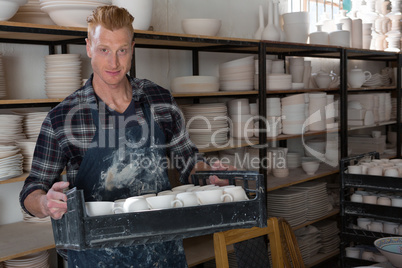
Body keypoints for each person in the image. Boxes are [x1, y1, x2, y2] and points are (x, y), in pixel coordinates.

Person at [19, 5, 231, 267]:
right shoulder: (64, 117)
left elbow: (189, 163)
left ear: (132, 47)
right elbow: (31, 190)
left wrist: (210, 175)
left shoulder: (159, 99)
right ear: (88, 47)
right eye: (103, 50)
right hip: (95, 256)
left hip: (161, 251)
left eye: (122, 50)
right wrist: (44, 202)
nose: (113, 62)